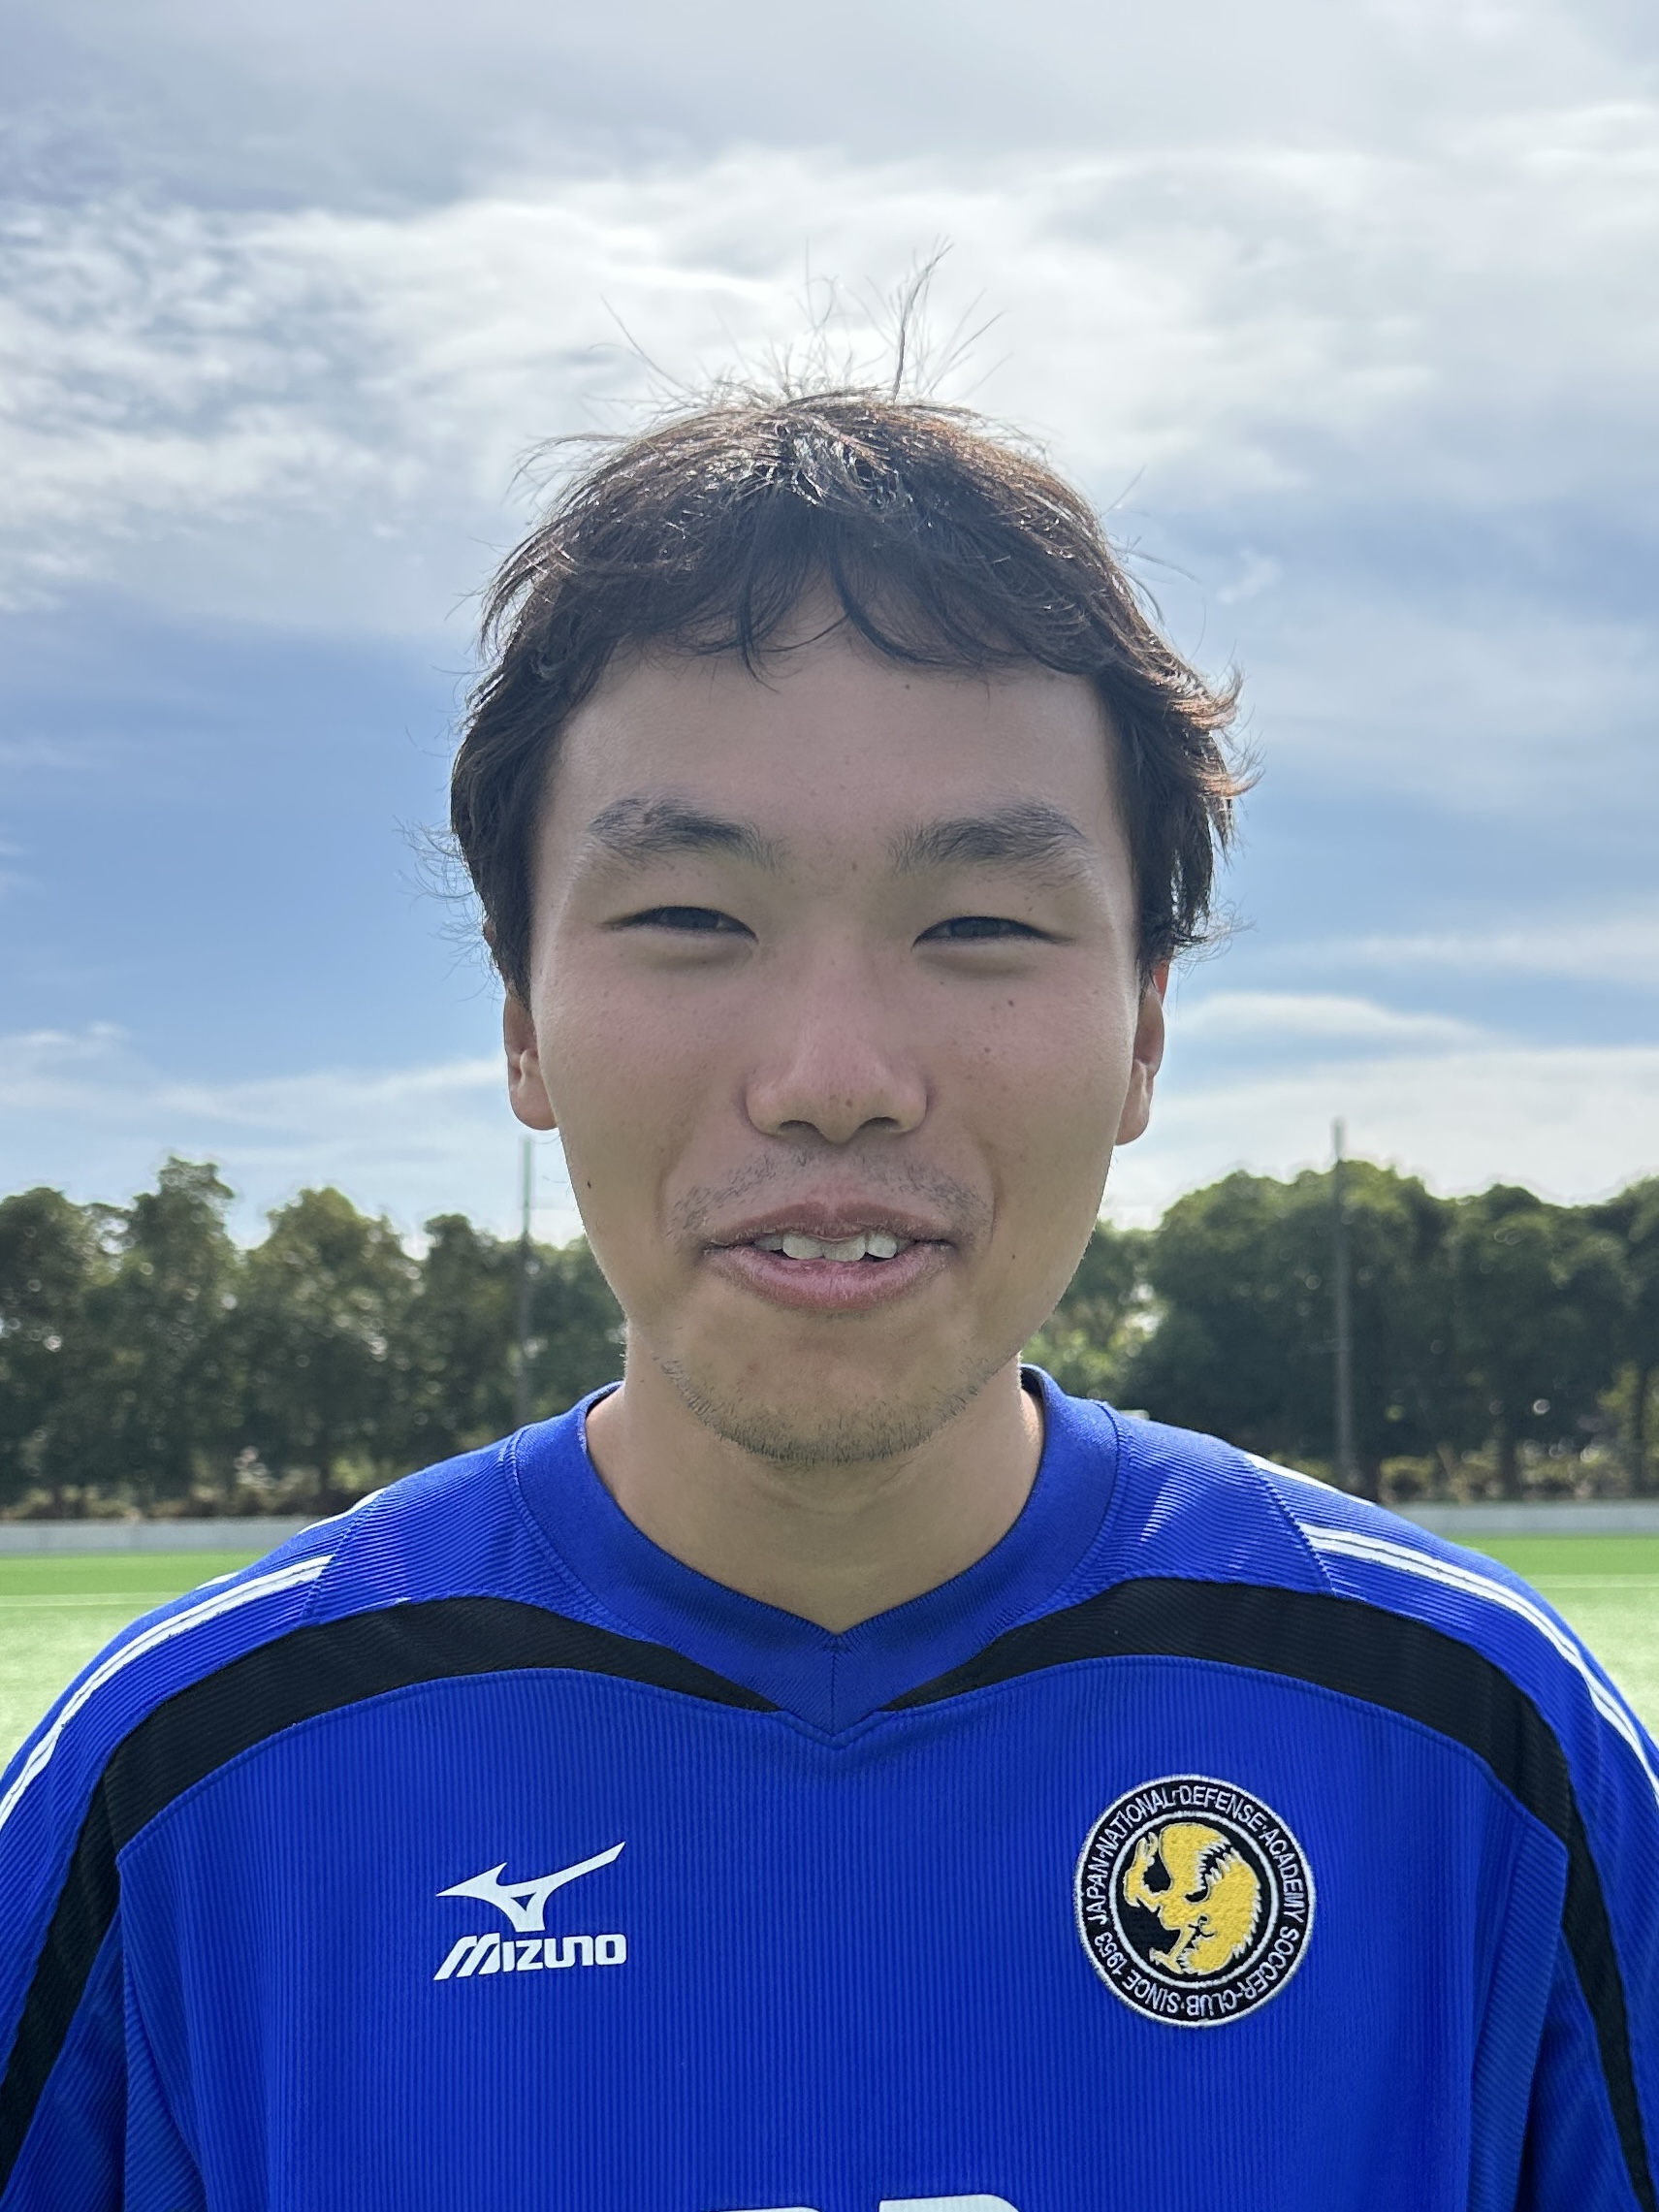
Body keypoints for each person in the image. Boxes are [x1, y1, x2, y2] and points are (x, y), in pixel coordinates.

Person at [0, 388, 1653, 2212]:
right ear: (522, 1023)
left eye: (979, 926)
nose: (832, 1077)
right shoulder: (177, 1786)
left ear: (1144, 1034)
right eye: (692, 919)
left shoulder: (1488, 1752)